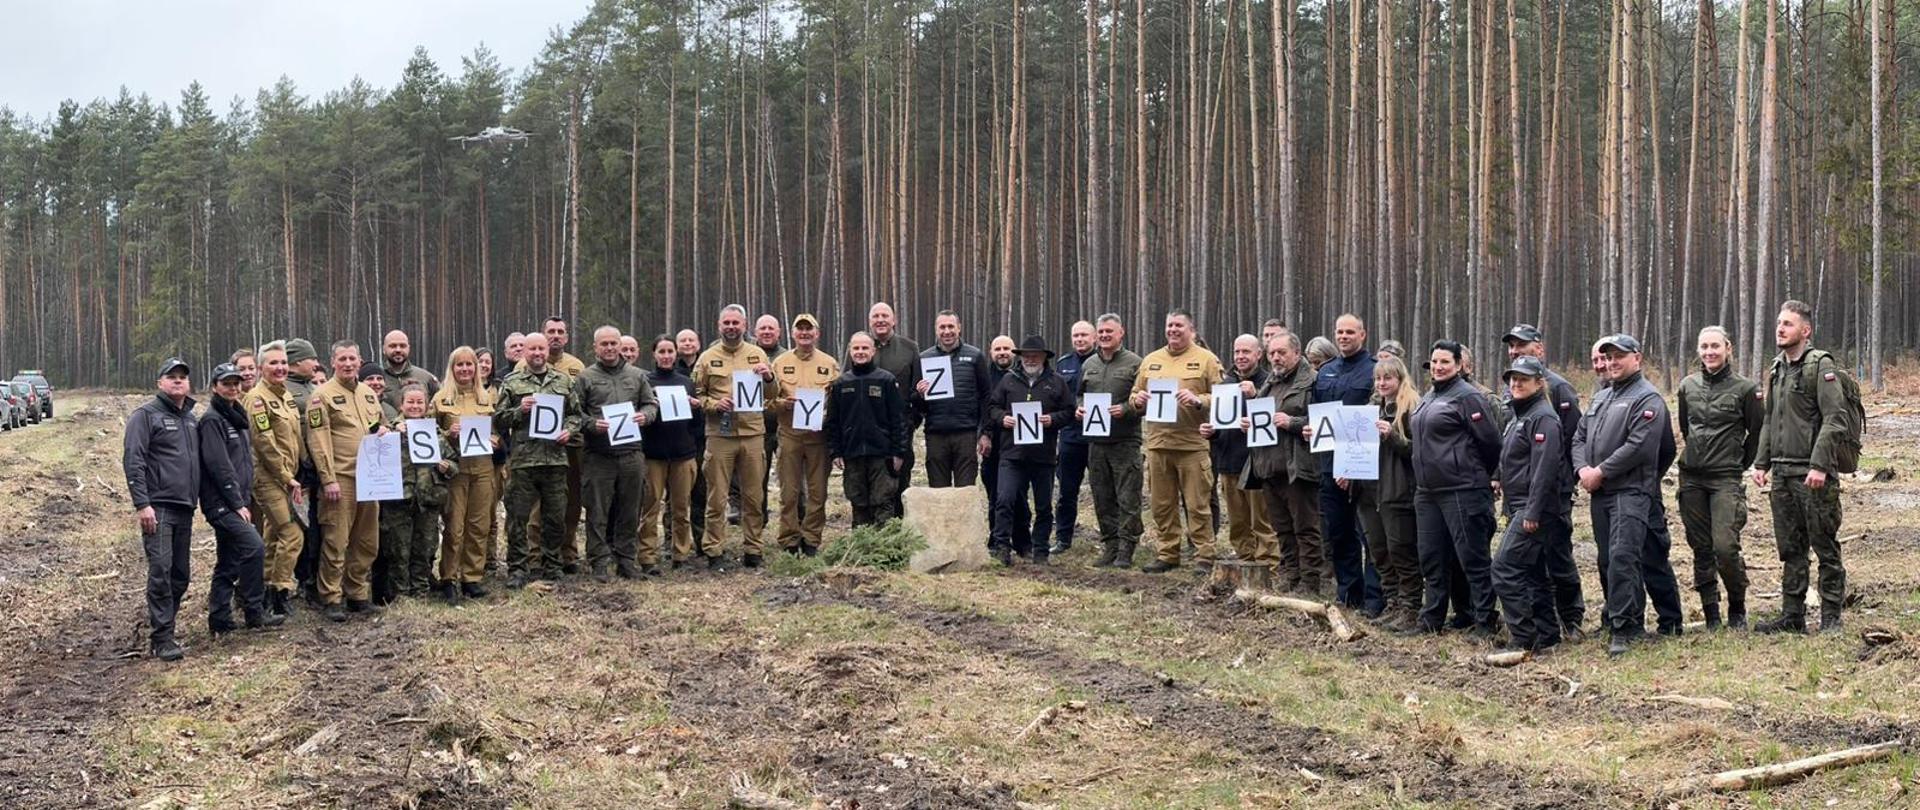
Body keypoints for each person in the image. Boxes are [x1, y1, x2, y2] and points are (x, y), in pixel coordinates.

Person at [1574, 334, 1682, 656]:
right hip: (1601, 493)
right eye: (1607, 357)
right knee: (1609, 559)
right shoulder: (1601, 398)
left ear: (1637, 357)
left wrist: (1602, 471)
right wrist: (1582, 470)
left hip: (1631, 491)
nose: (1612, 362)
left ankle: (1625, 629)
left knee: (1625, 558)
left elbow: (1642, 447)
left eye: (1618, 356)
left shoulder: (1647, 398)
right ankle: (1625, 619)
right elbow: (1578, 438)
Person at [1754, 300, 1853, 634]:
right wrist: (1761, 462)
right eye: (1779, 323)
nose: (1780, 329)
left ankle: (1830, 617)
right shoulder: (1776, 368)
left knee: (1824, 545)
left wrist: (1820, 465)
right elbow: (1770, 419)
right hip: (1781, 474)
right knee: (1791, 548)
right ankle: (1792, 616)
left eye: (1788, 324)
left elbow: (1834, 419)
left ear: (1805, 331)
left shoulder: (1820, 366)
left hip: (1813, 475)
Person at [1406, 340, 1502, 637]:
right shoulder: (1428, 396)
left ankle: (1485, 619)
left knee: (1472, 559)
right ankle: (1432, 617)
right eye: (1434, 361)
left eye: (1445, 361)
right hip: (1428, 492)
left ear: (1460, 365)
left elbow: (1492, 443)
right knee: (1432, 557)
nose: (1437, 367)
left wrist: (1471, 474)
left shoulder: (1469, 397)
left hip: (1462, 489)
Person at [1501, 324, 1586, 641]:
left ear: (1539, 348)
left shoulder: (1558, 391)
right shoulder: (1515, 395)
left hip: (1551, 494)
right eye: (1511, 347)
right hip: (1523, 494)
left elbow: (1569, 441)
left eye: (1521, 345)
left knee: (1558, 558)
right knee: (1534, 565)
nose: (1515, 350)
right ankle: (1546, 629)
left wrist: (1560, 487)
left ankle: (1571, 619)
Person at [1676, 326, 1763, 630]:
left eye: (1715, 346)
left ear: (1728, 348)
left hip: (1726, 478)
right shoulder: (1687, 386)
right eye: (1704, 347)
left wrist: (1740, 462)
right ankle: (1711, 613)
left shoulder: (1747, 389)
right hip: (1692, 479)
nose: (1709, 352)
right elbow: (1686, 428)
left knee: (1725, 546)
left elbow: (1757, 432)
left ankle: (1737, 608)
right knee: (1700, 547)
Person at [1129, 310, 1224, 573]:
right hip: (1159, 444)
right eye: (1169, 325)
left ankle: (1205, 554)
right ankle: (1168, 553)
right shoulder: (1151, 360)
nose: (1173, 330)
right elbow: (1136, 392)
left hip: (1192, 445)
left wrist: (1198, 401)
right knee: (1161, 505)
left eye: (1179, 325)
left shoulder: (1206, 360)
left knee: (1197, 505)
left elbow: (1223, 397)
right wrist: (1136, 401)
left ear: (1190, 329)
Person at [306, 340, 391, 622]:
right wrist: (328, 479)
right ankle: (330, 597)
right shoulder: (322, 396)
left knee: (366, 540)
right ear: (332, 362)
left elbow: (379, 425)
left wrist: (384, 432)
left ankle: (357, 594)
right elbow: (318, 441)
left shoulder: (368, 394)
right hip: (340, 479)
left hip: (370, 478)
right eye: (342, 359)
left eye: (352, 359)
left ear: (359, 360)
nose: (347, 364)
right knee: (336, 539)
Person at [124, 358, 202, 661]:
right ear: (160, 383)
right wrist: (142, 504)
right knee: (161, 570)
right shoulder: (145, 416)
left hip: (185, 507)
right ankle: (162, 637)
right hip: (158, 507)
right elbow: (134, 460)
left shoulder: (191, 419)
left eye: (183, 377)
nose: (178, 381)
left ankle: (164, 624)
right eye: (172, 377)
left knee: (180, 575)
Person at [198, 362, 282, 635]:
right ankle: (253, 611)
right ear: (214, 387)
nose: (232, 388)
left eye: (235, 383)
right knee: (254, 547)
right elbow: (218, 464)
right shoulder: (213, 420)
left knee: (229, 559)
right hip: (222, 503)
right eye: (226, 383)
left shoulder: (238, 415)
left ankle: (219, 618)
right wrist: (236, 503)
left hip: (239, 499)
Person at [1490, 357, 1567, 653]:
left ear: (1539, 382)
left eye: (1523, 379)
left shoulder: (1543, 417)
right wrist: (1497, 477)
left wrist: (1533, 512)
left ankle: (1523, 637)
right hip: (1518, 505)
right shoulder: (1519, 415)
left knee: (1504, 569)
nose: (1516, 384)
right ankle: (1547, 634)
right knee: (1533, 573)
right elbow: (1511, 455)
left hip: (1534, 509)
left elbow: (1545, 470)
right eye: (1512, 379)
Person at [495, 332, 581, 588]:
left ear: (547, 351)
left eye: (541, 349)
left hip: (555, 460)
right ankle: (518, 568)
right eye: (532, 349)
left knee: (555, 517)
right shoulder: (512, 382)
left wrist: (570, 430)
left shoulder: (563, 381)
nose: (537, 353)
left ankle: (552, 565)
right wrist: (519, 411)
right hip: (523, 462)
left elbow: (576, 414)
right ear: (524, 352)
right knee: (517, 518)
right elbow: (498, 419)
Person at [695, 305, 776, 568]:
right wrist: (713, 405)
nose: (731, 327)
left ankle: (754, 549)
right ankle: (714, 550)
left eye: (736, 323)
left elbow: (773, 393)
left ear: (745, 325)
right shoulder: (707, 358)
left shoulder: (757, 354)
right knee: (717, 497)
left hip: (752, 433)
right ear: (719, 326)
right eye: (726, 323)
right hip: (720, 434)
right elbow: (697, 396)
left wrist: (769, 377)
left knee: (754, 496)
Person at [577, 325, 661, 579]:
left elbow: (651, 403)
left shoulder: (637, 376)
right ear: (595, 348)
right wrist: (591, 424)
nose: (610, 348)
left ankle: (626, 560)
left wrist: (644, 417)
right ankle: (599, 561)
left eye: (614, 343)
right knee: (597, 511)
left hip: (631, 455)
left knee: (630, 509)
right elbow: (573, 413)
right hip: (598, 455)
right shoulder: (585, 377)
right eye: (604, 344)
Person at [984, 336, 1076, 565]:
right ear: (1020, 357)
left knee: (1043, 505)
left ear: (1045, 357)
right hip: (1011, 454)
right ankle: (1001, 547)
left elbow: (1069, 411)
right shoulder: (1008, 381)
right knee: (1004, 500)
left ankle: (1041, 550)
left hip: (1043, 456)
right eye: (1026, 356)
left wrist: (1051, 420)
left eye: (1035, 356)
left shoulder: (1057, 382)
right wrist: (1003, 418)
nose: (1030, 359)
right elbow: (992, 407)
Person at [1312, 315, 1381, 613]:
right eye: (1339, 331)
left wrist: (1352, 469)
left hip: (1364, 468)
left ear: (1363, 335)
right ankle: (1349, 594)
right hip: (1328, 465)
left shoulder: (1375, 370)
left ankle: (1375, 598)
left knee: (1371, 535)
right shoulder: (1326, 372)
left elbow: (1376, 417)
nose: (1343, 336)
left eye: (1350, 332)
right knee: (1339, 533)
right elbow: (1316, 414)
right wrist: (1308, 428)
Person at [1246, 333, 1321, 593]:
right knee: (1282, 528)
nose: (1276, 357)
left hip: (1297, 467)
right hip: (1268, 467)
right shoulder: (1269, 382)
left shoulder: (1312, 381)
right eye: (1272, 353)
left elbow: (1322, 421)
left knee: (1305, 527)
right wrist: (1250, 424)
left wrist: (1293, 423)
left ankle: (1311, 581)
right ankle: (1292, 576)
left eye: (1282, 352)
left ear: (1297, 353)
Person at [1353, 355, 1421, 631]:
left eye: (1387, 378)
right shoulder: (1369, 408)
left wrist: (1391, 435)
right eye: (1378, 378)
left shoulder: (1412, 408)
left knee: (1401, 550)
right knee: (1378, 551)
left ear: (1400, 379)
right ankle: (1392, 602)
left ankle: (1411, 607)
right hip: (1368, 491)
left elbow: (1418, 451)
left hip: (1398, 490)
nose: (1382, 383)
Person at [519, 317, 588, 573]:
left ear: (567, 337)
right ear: (542, 334)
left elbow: (578, 407)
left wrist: (571, 431)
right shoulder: (522, 365)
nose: (555, 336)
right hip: (535, 448)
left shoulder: (577, 366)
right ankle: (535, 556)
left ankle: (567, 553)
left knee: (569, 502)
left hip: (569, 445)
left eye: (560, 332)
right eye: (551, 331)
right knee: (537, 505)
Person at [1201, 335, 1276, 572]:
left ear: (1259, 354)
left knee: (1262, 521)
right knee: (1237, 522)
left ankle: (1269, 566)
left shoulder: (1269, 383)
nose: (1241, 357)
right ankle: (1245, 562)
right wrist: (1211, 432)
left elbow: (1274, 420)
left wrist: (1256, 398)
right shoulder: (1225, 385)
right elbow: (1221, 425)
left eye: (1246, 352)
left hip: (1256, 463)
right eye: (1237, 352)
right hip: (1228, 460)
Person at [244, 342, 306, 619]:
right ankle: (280, 591)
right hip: (269, 478)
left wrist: (302, 470)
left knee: (272, 537)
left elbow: (294, 437)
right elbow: (264, 443)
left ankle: (263, 592)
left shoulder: (286, 397)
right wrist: (286, 477)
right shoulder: (257, 399)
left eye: (283, 363)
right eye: (273, 363)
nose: (280, 368)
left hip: (289, 476)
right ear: (260, 369)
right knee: (291, 533)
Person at [769, 314, 839, 556]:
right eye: (800, 330)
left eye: (809, 330)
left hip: (818, 438)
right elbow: (767, 400)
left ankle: (811, 539)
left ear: (817, 334)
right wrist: (782, 404)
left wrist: (828, 414)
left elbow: (838, 400)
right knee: (789, 492)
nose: (805, 333)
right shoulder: (779, 363)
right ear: (792, 334)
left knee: (818, 492)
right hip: (790, 435)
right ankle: (789, 539)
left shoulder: (829, 363)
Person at [1077, 315, 1145, 568]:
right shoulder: (1089, 364)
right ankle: (1110, 545)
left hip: (1124, 441)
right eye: (1101, 331)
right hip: (1096, 442)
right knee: (1102, 495)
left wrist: (1126, 409)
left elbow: (1144, 401)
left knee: (1128, 497)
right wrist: (1079, 409)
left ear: (1121, 333)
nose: (1104, 335)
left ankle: (1127, 548)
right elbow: (1079, 395)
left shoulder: (1136, 363)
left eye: (1109, 331)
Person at [432, 346, 498, 601]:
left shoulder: (488, 397)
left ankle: (472, 577)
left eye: (469, 364)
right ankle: (448, 577)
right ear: (452, 368)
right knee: (454, 527)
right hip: (456, 471)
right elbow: (429, 436)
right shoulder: (441, 399)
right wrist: (449, 435)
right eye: (459, 365)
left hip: (483, 468)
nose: (465, 369)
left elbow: (500, 430)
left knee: (478, 526)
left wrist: (496, 439)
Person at [826, 332, 910, 527]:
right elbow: (833, 422)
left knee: (883, 502)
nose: (860, 352)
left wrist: (899, 452)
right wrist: (835, 452)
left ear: (873, 351)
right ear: (850, 351)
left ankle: (883, 552)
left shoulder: (886, 380)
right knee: (859, 503)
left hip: (882, 455)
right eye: (856, 348)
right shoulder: (840, 384)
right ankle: (863, 550)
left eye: (865, 348)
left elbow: (898, 419)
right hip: (852, 454)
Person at [379, 384, 453, 602]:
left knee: (425, 548)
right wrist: (391, 434)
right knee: (398, 550)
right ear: (401, 404)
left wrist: (446, 466)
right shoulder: (390, 430)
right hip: (399, 500)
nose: (415, 406)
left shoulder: (436, 432)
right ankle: (400, 594)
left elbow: (453, 462)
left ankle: (420, 592)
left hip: (428, 500)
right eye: (410, 402)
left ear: (427, 405)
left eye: (419, 402)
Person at [640, 335, 703, 569]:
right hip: (653, 454)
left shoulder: (686, 382)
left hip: (683, 454)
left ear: (676, 354)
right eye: (661, 352)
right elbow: (641, 417)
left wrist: (696, 407)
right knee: (650, 507)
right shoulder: (645, 381)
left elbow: (696, 424)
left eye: (670, 352)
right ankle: (647, 557)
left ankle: (681, 555)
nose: (666, 356)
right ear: (654, 354)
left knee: (680, 508)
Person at [915, 310, 991, 490]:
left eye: (951, 326)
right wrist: (919, 393)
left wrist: (985, 432)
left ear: (959, 328)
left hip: (966, 433)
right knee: (938, 491)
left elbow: (986, 396)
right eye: (942, 327)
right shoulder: (924, 358)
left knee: (965, 491)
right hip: (936, 434)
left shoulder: (975, 356)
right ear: (936, 330)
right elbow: (916, 403)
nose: (947, 331)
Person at [868, 303, 922, 517]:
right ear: (870, 321)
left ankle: (899, 528)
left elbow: (918, 388)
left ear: (894, 320)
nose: (880, 320)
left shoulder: (910, 348)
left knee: (900, 478)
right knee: (871, 480)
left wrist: (912, 421)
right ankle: (872, 533)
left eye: (885, 315)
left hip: (900, 427)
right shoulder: (861, 346)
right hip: (868, 428)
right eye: (876, 316)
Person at [1051, 320, 1098, 555]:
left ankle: (1112, 540)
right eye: (1076, 335)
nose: (1080, 339)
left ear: (1095, 337)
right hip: (1070, 435)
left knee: (1103, 490)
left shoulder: (1103, 361)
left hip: (1099, 436)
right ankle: (1063, 538)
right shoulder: (1063, 364)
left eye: (1084, 335)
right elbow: (1057, 398)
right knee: (1067, 491)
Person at [285, 337, 325, 602]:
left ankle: (315, 578)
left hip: (319, 467)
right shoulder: (285, 390)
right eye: (312, 359)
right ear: (297, 362)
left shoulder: (313, 387)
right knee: (300, 527)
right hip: (298, 470)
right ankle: (302, 579)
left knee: (319, 527)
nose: (316, 363)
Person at [980, 336, 1018, 549]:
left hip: (1019, 445)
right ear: (991, 352)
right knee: (995, 495)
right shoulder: (984, 376)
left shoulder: (1023, 374)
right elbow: (980, 409)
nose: (1002, 352)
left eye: (1007, 348)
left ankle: (1022, 540)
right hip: (992, 445)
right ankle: (996, 540)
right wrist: (983, 434)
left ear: (1014, 351)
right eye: (998, 349)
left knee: (1017, 496)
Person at [379, 330, 441, 412]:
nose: (398, 350)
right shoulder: (376, 378)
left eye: (402, 346)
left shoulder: (425, 377)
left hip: (419, 424)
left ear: (408, 348)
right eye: (393, 346)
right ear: (384, 349)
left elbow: (441, 402)